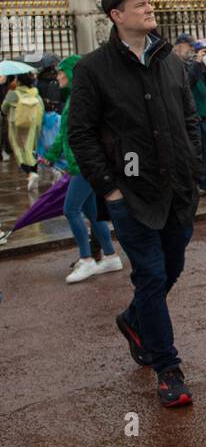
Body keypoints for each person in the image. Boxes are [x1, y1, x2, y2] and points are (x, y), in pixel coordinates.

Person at [68, 0, 202, 407]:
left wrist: (194, 170)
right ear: (116, 16)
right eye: (138, 5)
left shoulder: (171, 62)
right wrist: (109, 190)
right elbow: (81, 133)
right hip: (131, 195)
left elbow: (189, 119)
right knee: (150, 275)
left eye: (148, 2)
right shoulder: (93, 68)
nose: (148, 8)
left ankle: (132, 319)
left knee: (171, 269)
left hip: (178, 190)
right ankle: (168, 369)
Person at [45, 54, 123, 283]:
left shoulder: (81, 99)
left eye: (61, 72)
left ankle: (87, 259)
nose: (57, 76)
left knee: (70, 209)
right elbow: (65, 134)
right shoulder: (73, 99)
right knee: (91, 212)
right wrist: (52, 154)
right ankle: (110, 256)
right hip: (79, 162)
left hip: (84, 164)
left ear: (71, 74)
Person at [1, 73, 44, 192]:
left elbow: (4, 107)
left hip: (16, 124)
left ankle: (30, 174)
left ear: (19, 81)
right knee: (31, 148)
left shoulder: (13, 93)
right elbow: (41, 106)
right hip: (32, 124)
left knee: (19, 150)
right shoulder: (34, 92)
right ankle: (34, 175)